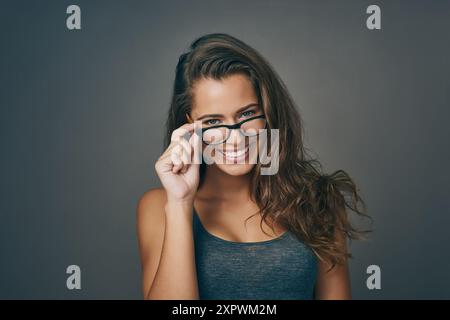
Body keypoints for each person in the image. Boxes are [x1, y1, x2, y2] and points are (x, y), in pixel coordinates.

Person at [137, 33, 370, 300]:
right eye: (213, 122)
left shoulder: (319, 201)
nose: (235, 138)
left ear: (268, 112)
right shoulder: (158, 206)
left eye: (247, 114)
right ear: (189, 123)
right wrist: (180, 203)